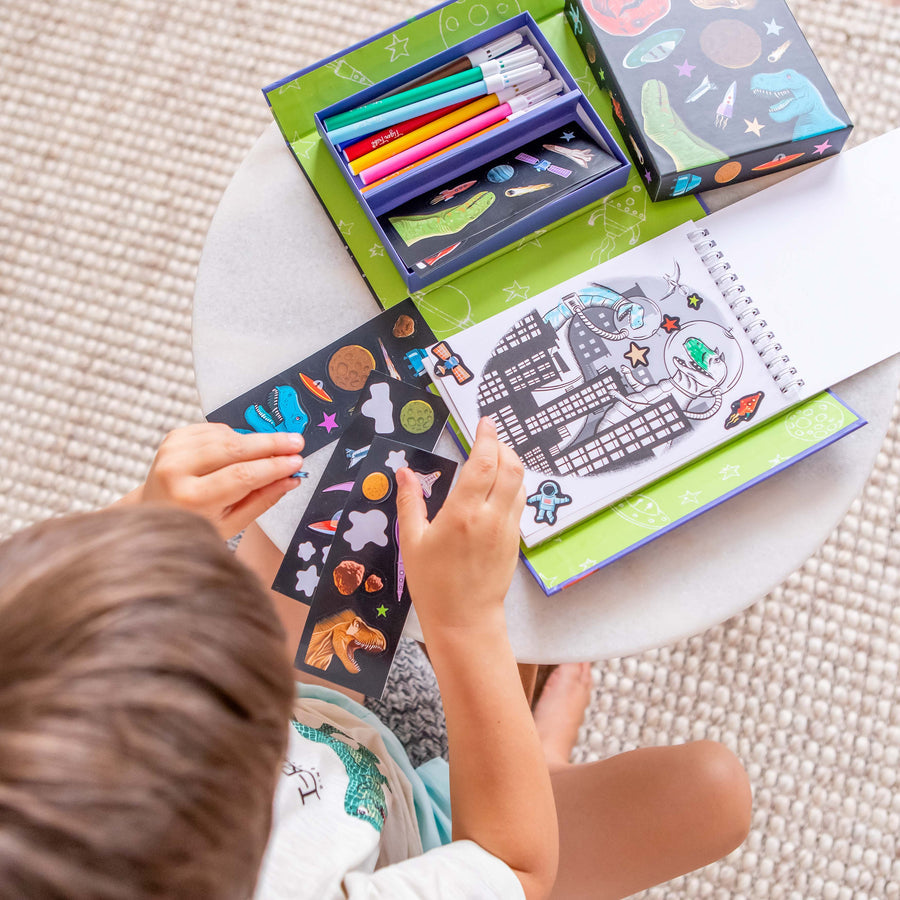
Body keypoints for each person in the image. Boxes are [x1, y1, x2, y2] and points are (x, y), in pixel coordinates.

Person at [0, 420, 752, 899]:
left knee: (313, 490)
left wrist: (145, 518)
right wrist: (465, 624)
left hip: (308, 731)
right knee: (713, 793)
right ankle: (538, 758)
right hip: (432, 842)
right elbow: (518, 867)